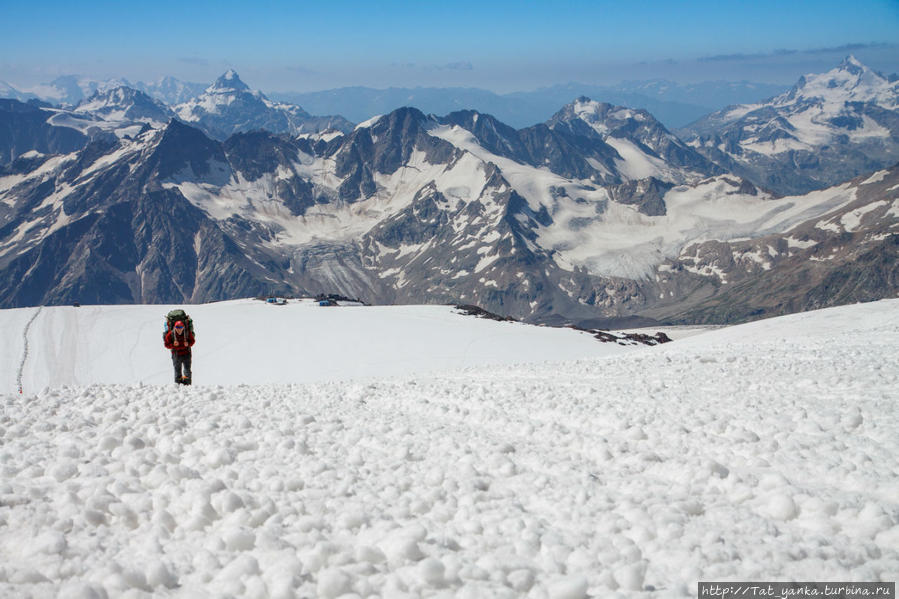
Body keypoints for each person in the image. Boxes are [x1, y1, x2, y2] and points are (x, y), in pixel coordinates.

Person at [164, 320, 195, 385]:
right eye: (177, 327)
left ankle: (187, 385)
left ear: (183, 327)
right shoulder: (171, 334)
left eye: (181, 327)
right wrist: (173, 345)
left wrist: (188, 344)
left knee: (187, 370)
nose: (179, 329)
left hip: (187, 353)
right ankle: (178, 386)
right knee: (177, 371)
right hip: (176, 354)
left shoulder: (187, 333)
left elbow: (192, 341)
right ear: (174, 327)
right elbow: (166, 344)